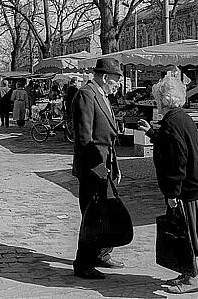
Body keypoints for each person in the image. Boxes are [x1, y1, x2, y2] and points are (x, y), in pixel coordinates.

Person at [138, 76, 198, 294]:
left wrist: (172, 192)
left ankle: (192, 279)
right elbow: (172, 144)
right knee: (184, 232)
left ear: (163, 100)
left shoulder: (172, 122)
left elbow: (176, 159)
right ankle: (186, 272)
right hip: (195, 186)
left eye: (157, 100)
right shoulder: (182, 117)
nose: (156, 104)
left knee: (184, 233)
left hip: (186, 190)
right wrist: (152, 133)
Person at [72, 57, 125, 280]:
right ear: (104, 77)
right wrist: (99, 168)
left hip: (105, 162)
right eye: (115, 80)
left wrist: (115, 166)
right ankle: (83, 262)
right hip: (93, 165)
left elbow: (108, 135)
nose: (117, 85)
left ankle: (102, 254)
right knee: (92, 214)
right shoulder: (87, 94)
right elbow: (85, 138)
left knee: (106, 212)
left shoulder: (102, 95)